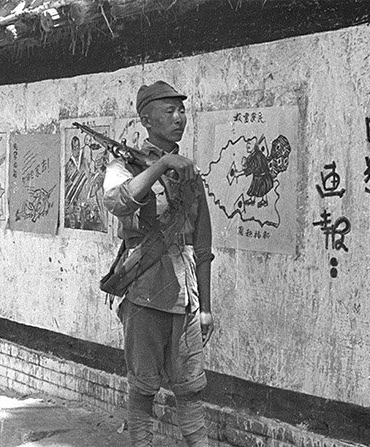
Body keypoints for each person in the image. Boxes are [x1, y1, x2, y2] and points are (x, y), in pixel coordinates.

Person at [102, 80, 214, 447]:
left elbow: (202, 243)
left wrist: (207, 309)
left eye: (182, 110)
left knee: (191, 389)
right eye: (170, 111)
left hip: (186, 299)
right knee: (143, 389)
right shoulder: (124, 165)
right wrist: (161, 164)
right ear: (147, 120)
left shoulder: (189, 173)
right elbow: (119, 201)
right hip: (145, 292)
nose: (180, 118)